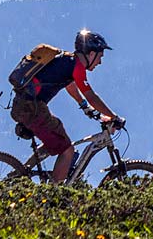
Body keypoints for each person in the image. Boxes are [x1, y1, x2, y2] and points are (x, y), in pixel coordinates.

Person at [11, 29, 122, 183]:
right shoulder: (77, 67)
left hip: (23, 105)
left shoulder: (67, 61)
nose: (100, 62)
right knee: (67, 150)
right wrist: (114, 117)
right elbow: (91, 95)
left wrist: (85, 107)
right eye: (100, 57)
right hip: (32, 108)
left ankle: (20, 174)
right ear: (91, 54)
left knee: (57, 135)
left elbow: (70, 86)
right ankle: (54, 197)